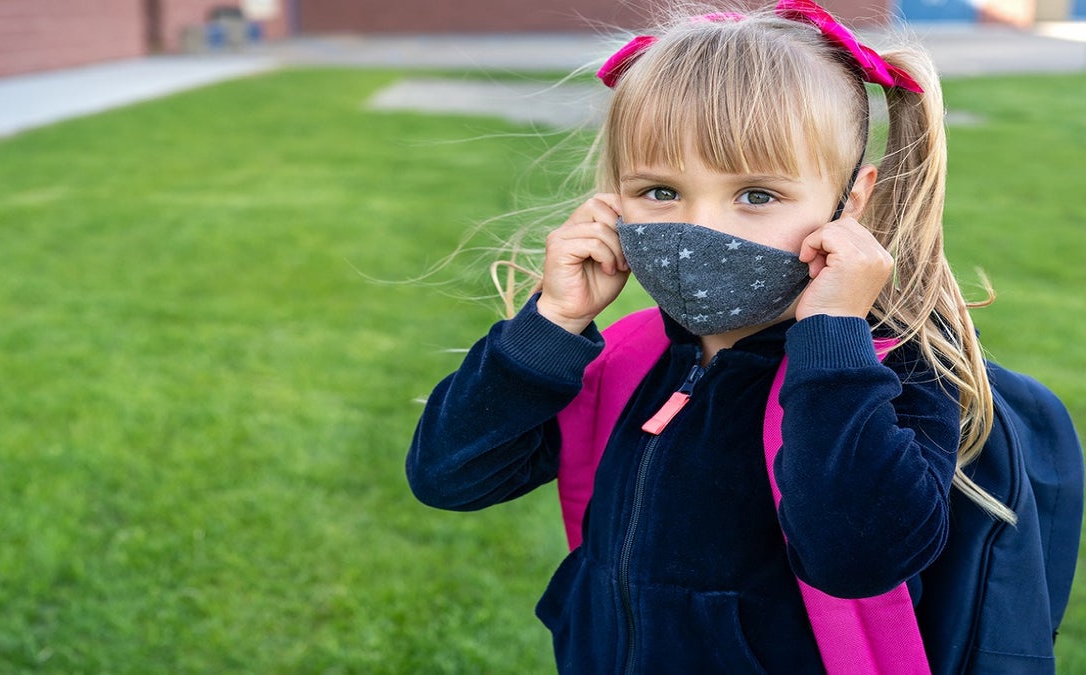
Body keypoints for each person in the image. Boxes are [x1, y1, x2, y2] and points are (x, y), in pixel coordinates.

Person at [406, 0, 1014, 670]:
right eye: (660, 191)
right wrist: (552, 324)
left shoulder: (891, 369)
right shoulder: (624, 359)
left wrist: (833, 342)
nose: (705, 230)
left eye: (757, 195)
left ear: (851, 201)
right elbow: (448, 475)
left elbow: (857, 557)